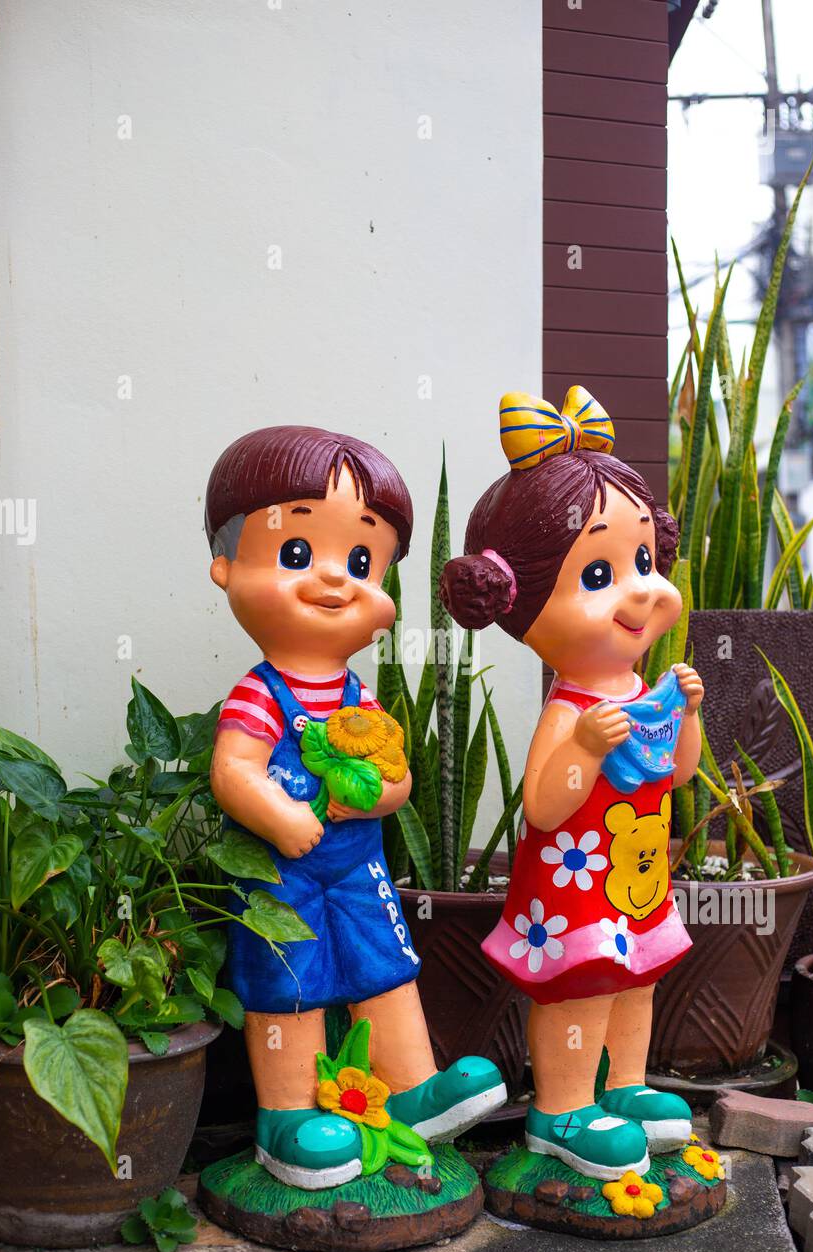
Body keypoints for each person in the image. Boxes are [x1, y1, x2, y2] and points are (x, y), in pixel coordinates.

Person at [205, 425, 505, 1189]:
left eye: (363, 561)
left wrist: (388, 790)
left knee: (386, 972)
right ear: (226, 567)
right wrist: (280, 814)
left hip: (357, 867)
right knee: (290, 980)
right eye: (298, 554)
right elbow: (234, 770)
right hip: (282, 873)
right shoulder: (259, 691)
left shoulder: (357, 697)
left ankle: (409, 1089)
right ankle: (287, 1116)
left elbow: (398, 774)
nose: (336, 580)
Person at [440, 387, 704, 1181]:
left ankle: (624, 1089)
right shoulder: (571, 707)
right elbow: (544, 806)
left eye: (645, 563)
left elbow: (678, 773)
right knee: (581, 989)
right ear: (516, 599)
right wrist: (584, 746)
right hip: (573, 889)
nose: (642, 590)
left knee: (639, 982)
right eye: (599, 572)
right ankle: (559, 1110)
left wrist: (685, 715)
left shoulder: (639, 687)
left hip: (638, 881)